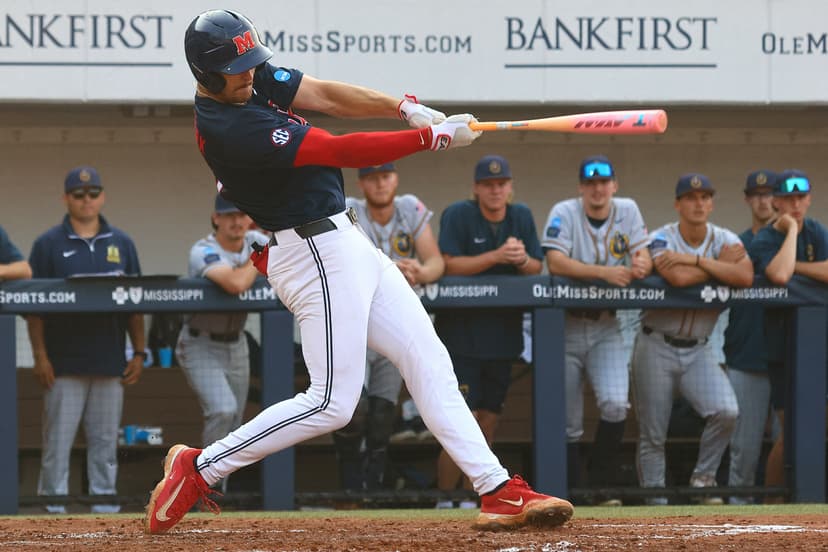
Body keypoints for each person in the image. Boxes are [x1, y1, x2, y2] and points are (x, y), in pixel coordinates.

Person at [144, 9, 572, 534]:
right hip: (312, 253)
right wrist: (428, 140)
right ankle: (201, 467)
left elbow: (323, 94)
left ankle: (497, 488)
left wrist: (403, 108)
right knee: (331, 402)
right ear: (206, 75)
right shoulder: (230, 127)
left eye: (253, 62)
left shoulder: (249, 82)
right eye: (239, 68)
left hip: (348, 242)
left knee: (428, 358)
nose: (251, 73)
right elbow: (338, 149)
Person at [27, 166, 144, 514]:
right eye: (78, 194)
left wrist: (139, 351)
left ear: (102, 196)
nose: (86, 200)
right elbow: (33, 309)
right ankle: (52, 509)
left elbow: (136, 304)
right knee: (57, 443)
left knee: (106, 443)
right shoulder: (47, 243)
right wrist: (40, 356)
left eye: (93, 193)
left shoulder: (122, 242)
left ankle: (104, 509)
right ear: (66, 199)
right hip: (62, 364)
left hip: (110, 361)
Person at [632, 173, 752, 505]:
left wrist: (696, 259)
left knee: (726, 411)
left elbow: (745, 275)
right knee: (653, 433)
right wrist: (715, 266)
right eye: (690, 197)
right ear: (677, 204)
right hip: (656, 342)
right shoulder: (660, 237)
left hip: (699, 349)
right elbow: (677, 277)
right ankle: (654, 498)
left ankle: (703, 481)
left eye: (705, 197)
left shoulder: (724, 237)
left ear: (712, 203)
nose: (698, 203)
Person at [433, 154, 544, 509]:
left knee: (488, 421)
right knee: (457, 425)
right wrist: (497, 256)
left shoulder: (521, 215)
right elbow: (448, 264)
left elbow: (537, 266)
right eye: (488, 184)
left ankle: (474, 497)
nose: (495, 190)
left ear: (509, 187)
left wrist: (520, 259)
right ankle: (443, 499)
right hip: (461, 338)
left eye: (501, 184)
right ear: (476, 188)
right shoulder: (458, 214)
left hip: (502, 337)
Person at [542, 155, 652, 505]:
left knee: (616, 403)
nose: (598, 188)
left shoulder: (629, 209)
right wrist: (604, 273)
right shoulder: (564, 210)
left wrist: (642, 263)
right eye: (590, 183)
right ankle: (571, 490)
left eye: (603, 182)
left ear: (614, 185)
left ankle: (600, 484)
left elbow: (643, 254)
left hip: (607, 325)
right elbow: (555, 261)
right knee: (567, 418)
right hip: (566, 325)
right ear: (581, 187)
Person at [332, 163, 445, 491]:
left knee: (382, 415)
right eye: (371, 178)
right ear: (361, 182)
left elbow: (436, 261)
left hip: (396, 324)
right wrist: (390, 268)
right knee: (354, 410)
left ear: (395, 178)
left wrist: (421, 273)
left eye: (385, 176)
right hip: (357, 326)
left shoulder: (410, 207)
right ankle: (349, 488)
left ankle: (374, 490)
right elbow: (344, 261)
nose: (380, 184)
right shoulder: (348, 209)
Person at [175, 194, 268, 491]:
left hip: (236, 343)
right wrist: (262, 257)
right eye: (229, 215)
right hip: (200, 342)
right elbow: (236, 284)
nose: (236, 221)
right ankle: (204, 486)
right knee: (223, 409)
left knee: (235, 424)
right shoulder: (203, 250)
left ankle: (217, 492)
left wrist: (265, 249)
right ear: (216, 218)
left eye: (241, 215)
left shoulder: (256, 238)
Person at [747, 169, 828, 501]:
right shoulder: (766, 237)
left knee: (815, 424)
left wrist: (799, 268)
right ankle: (771, 501)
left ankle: (797, 497)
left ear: (808, 198)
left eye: (801, 198)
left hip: (817, 344)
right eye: (788, 199)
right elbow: (779, 275)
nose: (796, 204)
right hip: (781, 345)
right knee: (790, 429)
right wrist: (791, 228)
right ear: (776, 201)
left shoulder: (818, 230)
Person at [723, 170, 777, 504]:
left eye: (768, 193)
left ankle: (788, 517)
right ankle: (738, 515)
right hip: (745, 355)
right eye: (755, 194)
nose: (762, 199)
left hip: (787, 356)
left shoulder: (791, 245)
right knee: (744, 447)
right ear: (747, 199)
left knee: (791, 442)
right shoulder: (735, 245)